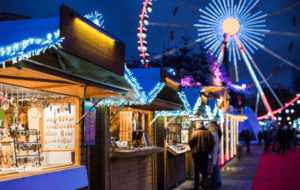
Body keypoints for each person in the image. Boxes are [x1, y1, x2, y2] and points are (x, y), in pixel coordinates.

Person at [189, 121, 215, 190]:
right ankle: (205, 185)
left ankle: (196, 186)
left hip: (196, 154)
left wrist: (193, 149)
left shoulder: (194, 132)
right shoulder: (208, 133)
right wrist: (208, 150)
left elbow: (190, 142)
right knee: (204, 171)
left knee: (196, 170)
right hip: (205, 154)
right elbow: (213, 143)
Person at [208, 121, 222, 188]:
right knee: (215, 166)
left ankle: (215, 181)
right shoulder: (215, 133)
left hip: (214, 152)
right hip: (215, 151)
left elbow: (214, 146)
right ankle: (217, 181)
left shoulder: (213, 134)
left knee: (215, 167)